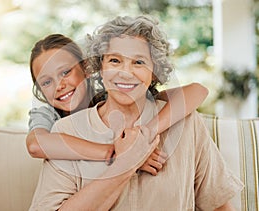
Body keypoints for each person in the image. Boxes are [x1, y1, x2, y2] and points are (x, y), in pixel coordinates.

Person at [29, 15, 243, 211]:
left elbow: (218, 205)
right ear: (100, 67)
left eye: (139, 62)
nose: (125, 72)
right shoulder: (63, 131)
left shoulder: (183, 120)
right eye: (114, 60)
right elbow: (36, 144)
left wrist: (144, 136)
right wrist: (126, 157)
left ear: (154, 71)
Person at [26, 33, 208, 175]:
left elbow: (197, 91)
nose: (59, 86)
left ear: (86, 68)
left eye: (65, 72)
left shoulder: (115, 96)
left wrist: (145, 134)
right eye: (46, 82)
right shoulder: (47, 114)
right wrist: (121, 154)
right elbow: (35, 145)